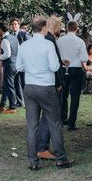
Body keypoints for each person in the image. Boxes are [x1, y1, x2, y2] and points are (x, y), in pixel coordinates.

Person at [16, 16, 74, 171]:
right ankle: (61, 158)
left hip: (29, 87)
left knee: (32, 125)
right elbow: (55, 67)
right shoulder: (48, 45)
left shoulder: (24, 45)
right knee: (54, 123)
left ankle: (33, 161)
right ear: (44, 28)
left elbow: (19, 67)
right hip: (46, 87)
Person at [37, 15, 66, 161]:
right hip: (52, 83)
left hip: (40, 83)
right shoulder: (50, 40)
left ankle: (42, 146)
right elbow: (55, 65)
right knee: (51, 117)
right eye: (59, 26)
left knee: (46, 117)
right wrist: (59, 83)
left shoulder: (44, 39)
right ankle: (43, 147)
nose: (60, 29)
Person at [57, 20, 88, 130]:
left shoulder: (60, 40)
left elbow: (56, 55)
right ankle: (71, 123)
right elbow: (84, 58)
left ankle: (62, 118)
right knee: (75, 96)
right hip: (75, 69)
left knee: (63, 95)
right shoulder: (80, 41)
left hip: (62, 68)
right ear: (76, 29)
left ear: (67, 28)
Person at [0, 22, 17, 114]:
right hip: (15, 64)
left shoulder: (5, 40)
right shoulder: (14, 38)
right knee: (6, 85)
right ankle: (2, 105)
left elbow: (7, 54)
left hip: (9, 64)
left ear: (1, 30)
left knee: (10, 85)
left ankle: (12, 106)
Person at [13, 18, 30, 107]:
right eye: (12, 24)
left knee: (24, 82)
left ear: (19, 25)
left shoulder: (23, 33)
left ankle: (28, 101)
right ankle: (19, 102)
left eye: (15, 24)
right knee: (16, 82)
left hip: (24, 62)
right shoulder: (12, 35)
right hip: (15, 62)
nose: (14, 26)